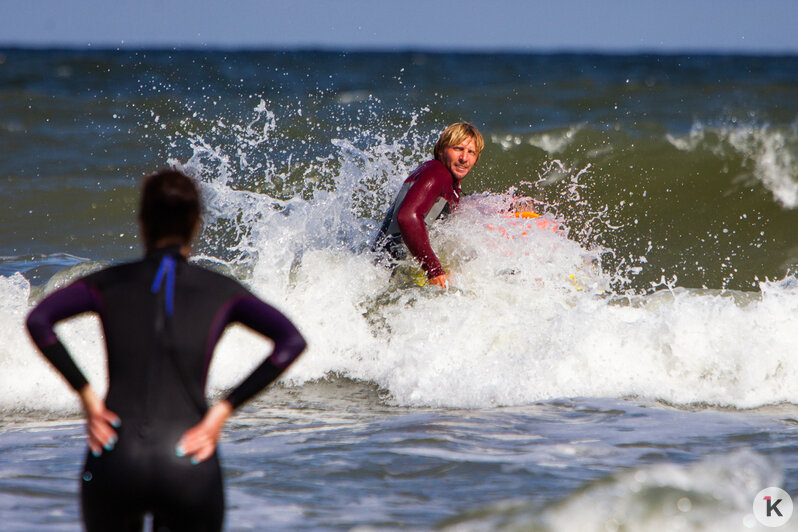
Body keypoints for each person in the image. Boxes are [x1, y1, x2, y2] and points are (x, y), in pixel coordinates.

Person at [26, 169, 307, 532]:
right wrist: (223, 410)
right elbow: (291, 341)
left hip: (116, 452)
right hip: (188, 457)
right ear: (196, 224)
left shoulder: (107, 283)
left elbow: (39, 321)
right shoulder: (220, 291)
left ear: (142, 223)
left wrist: (87, 397)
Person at [372, 122, 484, 288]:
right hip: (386, 276)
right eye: (458, 149)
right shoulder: (437, 173)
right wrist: (434, 269)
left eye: (471, 152)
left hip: (388, 272)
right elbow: (407, 217)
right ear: (441, 150)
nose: (464, 158)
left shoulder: (446, 180)